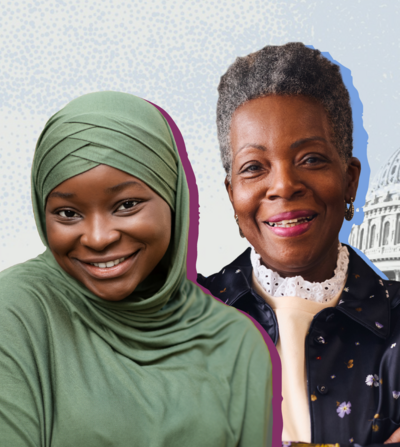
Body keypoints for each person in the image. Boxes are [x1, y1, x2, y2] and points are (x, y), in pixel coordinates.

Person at [0, 91, 273, 446]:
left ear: (173, 199)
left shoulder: (236, 344)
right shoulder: (18, 313)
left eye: (127, 204)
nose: (98, 238)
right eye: (68, 213)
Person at [197, 43, 400, 446]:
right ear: (231, 194)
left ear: (350, 181)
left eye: (311, 159)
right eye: (253, 168)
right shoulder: (182, 317)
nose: (284, 186)